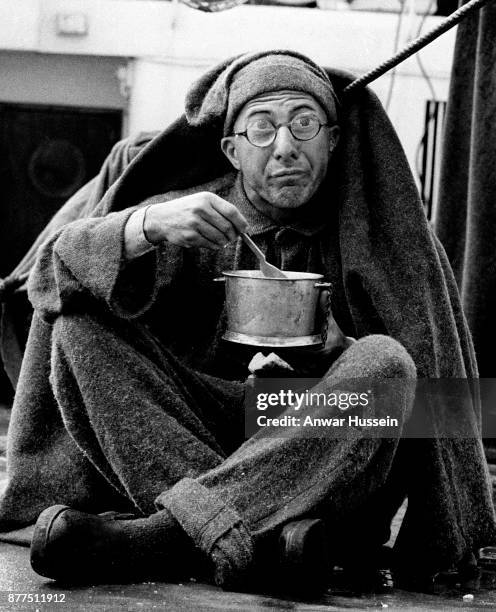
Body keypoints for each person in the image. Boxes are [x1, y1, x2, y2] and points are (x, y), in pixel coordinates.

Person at [0, 50, 494, 593]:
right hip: (199, 442)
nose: (284, 148)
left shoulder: (383, 241)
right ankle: (259, 547)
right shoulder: (188, 218)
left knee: (385, 360)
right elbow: (48, 279)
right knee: (80, 326)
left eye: (303, 124)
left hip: (318, 459)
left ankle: (160, 540)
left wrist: (340, 354)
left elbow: (446, 408)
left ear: (332, 138)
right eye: (262, 129)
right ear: (232, 151)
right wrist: (143, 226)